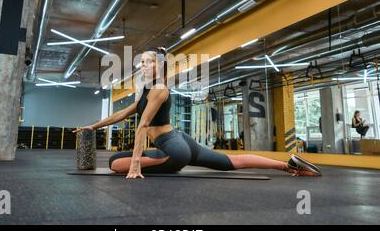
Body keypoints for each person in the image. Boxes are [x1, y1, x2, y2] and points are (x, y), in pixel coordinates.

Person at [74, 47, 322, 179]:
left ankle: (163, 163)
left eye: (149, 61)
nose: (142, 65)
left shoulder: (159, 88)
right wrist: (92, 127)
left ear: (158, 66)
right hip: (181, 143)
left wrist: (136, 164)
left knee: (116, 163)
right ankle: (287, 166)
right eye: (141, 62)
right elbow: (123, 115)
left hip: (174, 149)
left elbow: (143, 125)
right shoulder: (148, 91)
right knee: (231, 162)